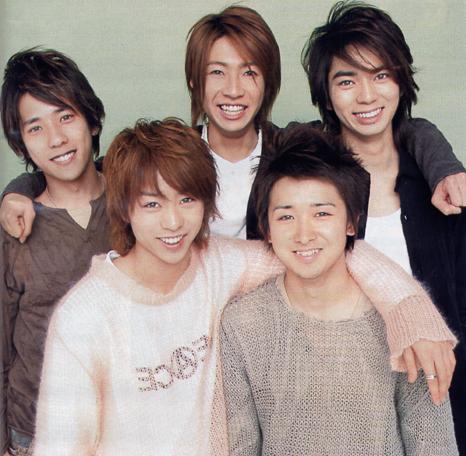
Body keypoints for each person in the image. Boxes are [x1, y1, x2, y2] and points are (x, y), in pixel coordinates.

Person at [33, 118, 455, 455]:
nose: (173, 222)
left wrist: (408, 307)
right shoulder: (83, 317)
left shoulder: (217, 263)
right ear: (125, 209)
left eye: (187, 199)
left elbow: (318, 254)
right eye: (152, 204)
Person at [2, 6, 465, 242]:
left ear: (268, 82)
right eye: (217, 73)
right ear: (195, 81)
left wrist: (444, 165)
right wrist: (19, 190)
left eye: (249, 73)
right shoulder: (170, 153)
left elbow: (395, 130)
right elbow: (84, 170)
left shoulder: (294, 148)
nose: (233, 90)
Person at [220, 125, 458, 455]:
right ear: (267, 229)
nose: (304, 234)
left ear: (351, 223)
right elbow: (240, 446)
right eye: (286, 217)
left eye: (321, 213)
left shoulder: (404, 327)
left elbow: (434, 446)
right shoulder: (242, 324)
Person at [299, 1, 466, 451]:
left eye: (381, 75)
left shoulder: (441, 189)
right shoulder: (307, 183)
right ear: (326, 94)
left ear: (400, 81)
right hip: (343, 409)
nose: (366, 96)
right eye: (346, 81)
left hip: (442, 405)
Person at [0, 49, 109, 455]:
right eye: (36, 128)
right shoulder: (14, 228)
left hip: (120, 426)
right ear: (22, 145)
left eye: (66, 117)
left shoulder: (137, 201)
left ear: (92, 120)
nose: (56, 139)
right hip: (35, 434)